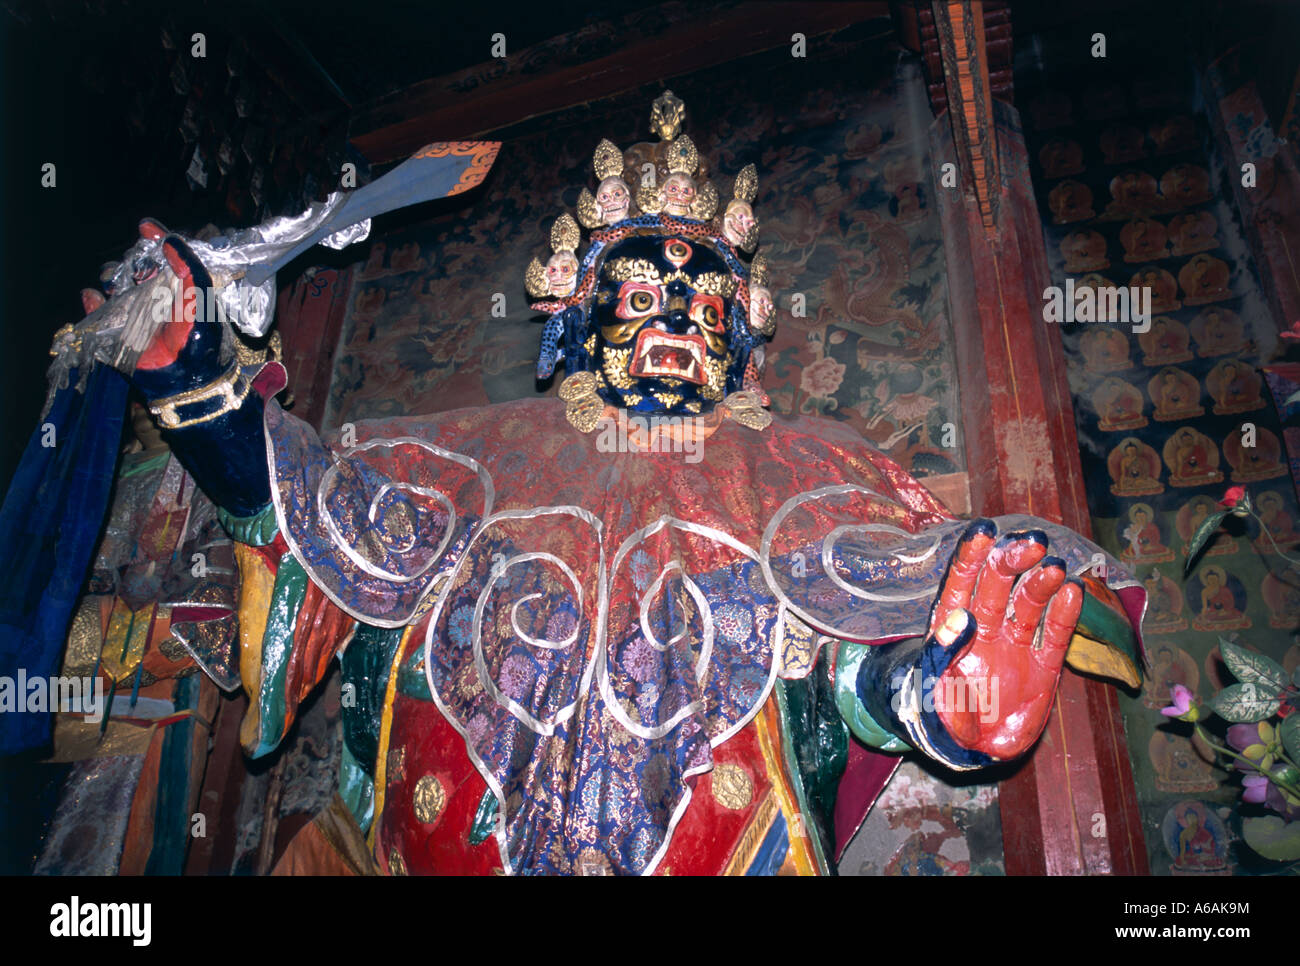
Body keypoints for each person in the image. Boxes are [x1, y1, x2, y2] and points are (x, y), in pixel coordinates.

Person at [25, 93, 1142, 875]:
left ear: (742, 338)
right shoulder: (465, 456)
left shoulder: (810, 467)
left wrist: (939, 710)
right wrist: (198, 384)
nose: (675, 320)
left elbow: (842, 663)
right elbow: (308, 514)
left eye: (706, 304)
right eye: (643, 294)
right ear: (577, 312)